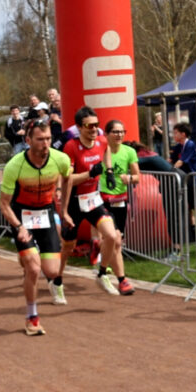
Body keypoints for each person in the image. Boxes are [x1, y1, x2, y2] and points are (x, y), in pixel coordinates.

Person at [0, 119, 71, 335]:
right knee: (33, 268)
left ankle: (28, 256)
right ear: (28, 140)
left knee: (52, 271)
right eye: (40, 139)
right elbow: (4, 204)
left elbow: (67, 180)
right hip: (21, 215)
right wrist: (19, 226)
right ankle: (32, 317)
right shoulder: (15, 165)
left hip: (46, 213)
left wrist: (64, 210)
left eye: (48, 138)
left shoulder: (61, 159)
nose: (46, 143)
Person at [60, 106, 134, 297]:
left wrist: (108, 170)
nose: (94, 129)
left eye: (97, 125)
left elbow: (106, 150)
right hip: (75, 201)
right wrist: (89, 174)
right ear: (79, 127)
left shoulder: (101, 141)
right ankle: (57, 279)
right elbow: (68, 180)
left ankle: (102, 273)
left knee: (111, 236)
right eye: (89, 126)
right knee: (68, 246)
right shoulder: (71, 146)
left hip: (92, 199)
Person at [100, 120, 140, 276]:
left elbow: (137, 177)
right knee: (112, 237)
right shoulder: (101, 150)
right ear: (107, 134)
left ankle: (108, 263)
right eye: (115, 132)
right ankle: (110, 269)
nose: (119, 135)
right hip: (102, 198)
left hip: (120, 200)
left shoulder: (129, 151)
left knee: (118, 239)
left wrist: (129, 178)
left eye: (122, 132)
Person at [171, 122, 196, 244]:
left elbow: (180, 162)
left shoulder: (189, 145)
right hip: (185, 182)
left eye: (175, 133)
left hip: (195, 181)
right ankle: (192, 235)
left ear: (183, 134)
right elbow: (171, 159)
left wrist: (171, 170)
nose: (173, 135)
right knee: (188, 208)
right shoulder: (178, 146)